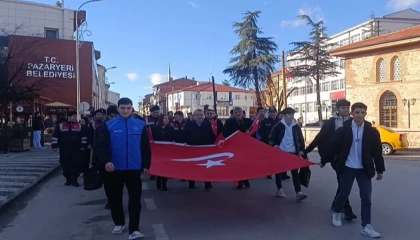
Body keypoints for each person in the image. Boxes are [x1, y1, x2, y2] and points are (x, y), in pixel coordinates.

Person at [321, 102, 385, 238]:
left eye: (362, 113)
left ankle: (366, 226)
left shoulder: (372, 132)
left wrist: (380, 170)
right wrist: (323, 160)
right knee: (343, 193)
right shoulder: (343, 130)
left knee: (366, 198)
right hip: (347, 167)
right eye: (357, 112)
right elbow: (332, 146)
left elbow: (377, 152)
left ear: (365, 114)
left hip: (364, 169)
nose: (360, 115)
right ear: (352, 114)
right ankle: (337, 213)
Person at [96, 98, 151, 239]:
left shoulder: (140, 125)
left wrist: (146, 165)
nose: (126, 110)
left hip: (134, 169)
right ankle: (119, 223)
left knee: (135, 200)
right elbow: (101, 147)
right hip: (114, 169)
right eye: (123, 108)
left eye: (128, 108)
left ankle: (134, 229)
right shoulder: (108, 126)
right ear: (118, 109)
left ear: (132, 108)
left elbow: (145, 147)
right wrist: (106, 161)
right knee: (115, 199)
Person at [303, 99, 356, 220]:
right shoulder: (330, 123)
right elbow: (319, 138)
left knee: (343, 182)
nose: (345, 110)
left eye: (347, 108)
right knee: (343, 181)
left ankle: (335, 204)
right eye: (343, 108)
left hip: (350, 155)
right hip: (335, 156)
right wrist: (306, 151)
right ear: (337, 109)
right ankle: (347, 209)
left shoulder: (353, 121)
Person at [268, 107, 308, 201]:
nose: (291, 116)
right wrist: (275, 145)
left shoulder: (296, 126)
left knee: (295, 173)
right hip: (281, 152)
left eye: (292, 114)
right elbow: (271, 138)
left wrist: (303, 152)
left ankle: (298, 192)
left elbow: (301, 140)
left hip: (293, 152)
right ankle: (279, 189)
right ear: (284, 115)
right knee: (279, 171)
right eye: (289, 114)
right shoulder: (278, 126)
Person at [91, 105, 118, 209]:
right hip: (105, 160)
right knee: (108, 183)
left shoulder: (123, 128)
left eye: (116, 116)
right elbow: (96, 145)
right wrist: (95, 161)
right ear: (107, 116)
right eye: (112, 116)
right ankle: (110, 201)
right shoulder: (101, 128)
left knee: (117, 184)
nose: (114, 119)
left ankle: (116, 201)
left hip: (119, 160)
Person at [51, 111, 88, 187]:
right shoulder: (60, 126)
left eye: (75, 116)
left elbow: (84, 137)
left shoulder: (79, 126)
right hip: (64, 149)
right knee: (65, 164)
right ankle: (68, 179)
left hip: (76, 149)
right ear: (69, 117)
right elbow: (55, 137)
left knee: (76, 165)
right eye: (74, 116)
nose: (75, 118)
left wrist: (83, 146)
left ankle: (74, 180)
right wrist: (54, 146)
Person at [184, 109, 216, 190]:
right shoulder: (188, 124)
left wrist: (214, 144)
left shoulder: (207, 124)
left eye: (201, 115)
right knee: (193, 167)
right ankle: (192, 182)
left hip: (205, 149)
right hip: (192, 149)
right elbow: (184, 135)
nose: (199, 116)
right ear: (194, 116)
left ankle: (208, 183)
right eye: (197, 115)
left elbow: (211, 135)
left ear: (203, 116)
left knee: (207, 166)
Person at [223, 107, 253, 189]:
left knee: (246, 164)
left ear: (242, 112)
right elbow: (225, 133)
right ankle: (240, 181)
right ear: (233, 113)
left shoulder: (248, 121)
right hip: (235, 146)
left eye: (239, 112)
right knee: (238, 164)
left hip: (246, 146)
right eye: (236, 112)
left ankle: (246, 179)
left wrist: (249, 133)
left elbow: (254, 132)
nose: (238, 113)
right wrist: (234, 136)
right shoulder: (229, 122)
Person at [151, 114, 175, 191]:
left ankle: (164, 183)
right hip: (158, 151)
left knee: (165, 167)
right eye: (165, 118)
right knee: (159, 167)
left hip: (167, 151)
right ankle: (158, 180)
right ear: (161, 119)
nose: (167, 120)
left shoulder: (171, 128)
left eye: (168, 118)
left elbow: (174, 137)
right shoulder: (155, 128)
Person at [258, 107, 279, 179]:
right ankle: (269, 172)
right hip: (267, 143)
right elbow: (260, 131)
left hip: (277, 143)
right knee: (268, 159)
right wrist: (265, 139)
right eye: (271, 112)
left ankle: (280, 173)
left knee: (278, 159)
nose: (272, 113)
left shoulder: (280, 121)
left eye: (274, 112)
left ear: (276, 113)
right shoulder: (265, 121)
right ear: (269, 113)